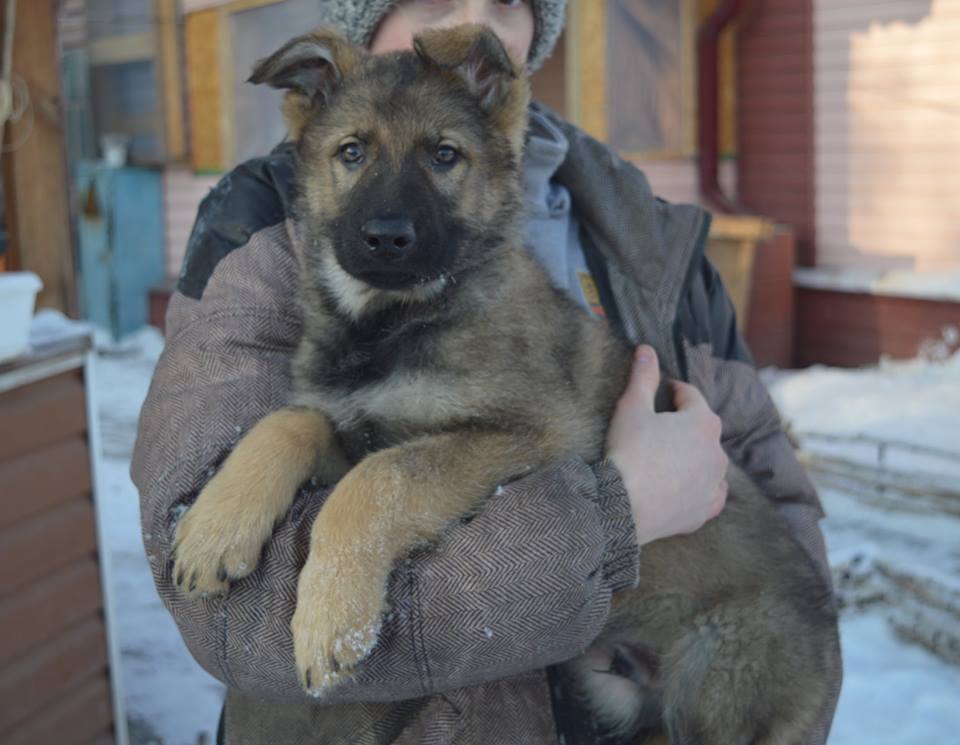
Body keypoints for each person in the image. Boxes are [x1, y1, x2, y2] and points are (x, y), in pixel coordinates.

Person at [131, 1, 841, 743]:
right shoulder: (253, 233)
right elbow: (230, 615)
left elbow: (776, 494)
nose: (477, 18)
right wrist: (624, 507)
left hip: (713, 625)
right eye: (353, 154)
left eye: (441, 156)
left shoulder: (653, 232)